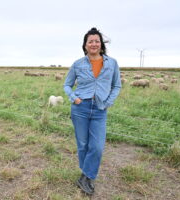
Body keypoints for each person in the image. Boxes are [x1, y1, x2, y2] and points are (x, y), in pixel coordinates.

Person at [63, 27, 121, 195]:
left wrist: (108, 102)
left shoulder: (112, 63)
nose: (94, 44)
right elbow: (67, 84)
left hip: (99, 109)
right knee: (83, 145)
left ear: (101, 44)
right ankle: (86, 177)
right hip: (80, 108)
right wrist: (74, 98)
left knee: (96, 147)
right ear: (85, 45)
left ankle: (86, 176)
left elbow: (116, 85)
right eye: (90, 41)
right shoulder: (78, 64)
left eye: (97, 41)